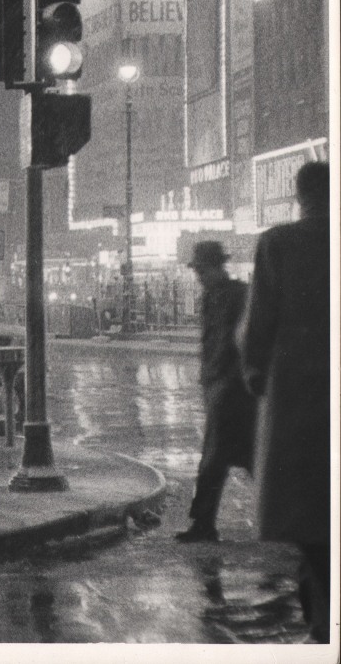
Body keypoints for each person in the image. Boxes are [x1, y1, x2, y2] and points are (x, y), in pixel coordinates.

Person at [238, 160, 330, 643]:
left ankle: (321, 620)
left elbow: (259, 319)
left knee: (306, 512)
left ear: (299, 196)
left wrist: (254, 370)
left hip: (298, 392)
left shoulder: (278, 243)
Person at [175, 241, 255, 543]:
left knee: (214, 461)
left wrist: (226, 381)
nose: (198, 275)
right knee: (245, 459)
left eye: (201, 269)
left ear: (215, 267)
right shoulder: (211, 297)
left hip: (234, 391)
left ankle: (203, 525)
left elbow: (242, 342)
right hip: (221, 390)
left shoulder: (239, 295)